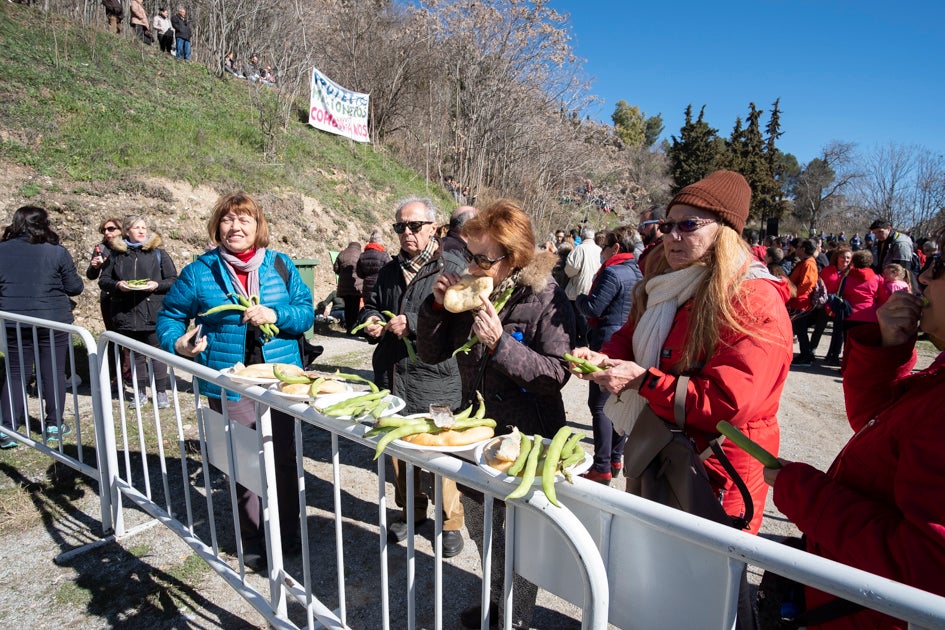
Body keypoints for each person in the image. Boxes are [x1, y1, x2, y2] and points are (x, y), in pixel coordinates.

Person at [570, 170, 793, 629]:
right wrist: (603, 358)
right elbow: (631, 337)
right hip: (661, 451)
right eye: (667, 224)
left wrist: (643, 381)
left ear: (726, 233)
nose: (671, 235)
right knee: (656, 579)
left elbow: (732, 402)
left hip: (716, 472)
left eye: (688, 225)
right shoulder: (667, 282)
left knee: (709, 596)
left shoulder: (753, 298)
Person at [763, 228, 945, 629]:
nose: (925, 276)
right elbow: (873, 423)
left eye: (940, 264)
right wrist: (888, 347)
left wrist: (803, 491)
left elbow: (923, 569)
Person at [417, 199, 575, 629]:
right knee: (484, 529)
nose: (474, 265)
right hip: (477, 433)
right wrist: (434, 308)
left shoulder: (545, 297)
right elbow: (432, 353)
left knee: (519, 542)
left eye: (485, 258)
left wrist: (501, 345)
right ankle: (494, 602)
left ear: (514, 258)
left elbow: (556, 375)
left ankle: (515, 618)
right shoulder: (470, 289)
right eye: (471, 255)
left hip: (527, 440)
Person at [156, 192, 314, 571]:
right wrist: (177, 342)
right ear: (217, 227)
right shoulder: (200, 271)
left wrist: (275, 312)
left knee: (283, 460)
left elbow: (305, 313)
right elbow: (170, 316)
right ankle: (254, 539)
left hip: (280, 379)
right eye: (227, 219)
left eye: (244, 219)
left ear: (258, 227)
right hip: (229, 380)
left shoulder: (280, 264)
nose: (236, 226)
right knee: (243, 464)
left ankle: (289, 534)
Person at [357, 197, 466, 558]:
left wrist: (415, 325)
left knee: (443, 454)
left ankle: (450, 522)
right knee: (399, 454)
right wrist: (371, 321)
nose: (406, 233)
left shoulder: (453, 267)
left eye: (414, 226)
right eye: (400, 227)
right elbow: (370, 305)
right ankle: (412, 512)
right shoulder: (389, 270)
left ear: (434, 228)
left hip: (437, 379)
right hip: (393, 376)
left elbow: (462, 323)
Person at [0, 206, 84, 448]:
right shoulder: (56, 252)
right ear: (44, 224)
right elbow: (75, 287)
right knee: (53, 370)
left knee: (15, 371)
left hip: (14, 318)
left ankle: (8, 428)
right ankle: (54, 425)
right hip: (52, 318)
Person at [575, 226, 642, 483]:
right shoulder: (638, 270)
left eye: (604, 247)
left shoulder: (613, 272)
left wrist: (579, 298)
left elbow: (593, 307)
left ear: (615, 248)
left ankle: (601, 465)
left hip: (609, 339)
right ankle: (616, 455)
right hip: (630, 340)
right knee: (622, 398)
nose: (601, 252)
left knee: (600, 404)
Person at [98, 215, 178, 409]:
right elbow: (103, 281)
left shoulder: (159, 253)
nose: (142, 231)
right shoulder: (116, 255)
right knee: (135, 355)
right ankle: (140, 392)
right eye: (137, 228)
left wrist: (156, 284)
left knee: (157, 354)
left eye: (144, 227)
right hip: (126, 313)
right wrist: (118, 285)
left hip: (152, 311)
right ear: (127, 232)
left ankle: (160, 392)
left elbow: (174, 279)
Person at [564, 227, 601, 345]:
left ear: (583, 237)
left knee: (577, 320)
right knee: (588, 320)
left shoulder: (579, 249)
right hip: (595, 289)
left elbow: (570, 269)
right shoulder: (600, 250)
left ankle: (578, 343)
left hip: (579, 289)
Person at [787, 239, 820, 366]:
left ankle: (806, 356)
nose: (797, 248)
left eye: (799, 246)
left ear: (804, 249)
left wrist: (791, 294)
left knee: (801, 332)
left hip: (800, 303)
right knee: (799, 331)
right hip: (797, 302)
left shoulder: (809, 264)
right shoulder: (805, 263)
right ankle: (805, 355)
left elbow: (806, 285)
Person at [820, 246, 853, 366]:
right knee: (819, 329)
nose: (845, 260)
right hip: (825, 303)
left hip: (840, 306)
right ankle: (811, 351)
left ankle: (834, 355)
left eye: (848, 258)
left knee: (838, 333)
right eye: (843, 257)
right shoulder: (828, 270)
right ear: (837, 257)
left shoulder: (851, 272)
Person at [332, 241, 362, 333]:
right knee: (355, 307)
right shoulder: (360, 254)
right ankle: (353, 329)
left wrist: (343, 274)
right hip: (356, 285)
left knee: (347, 307)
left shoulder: (342, 253)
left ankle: (348, 328)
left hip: (344, 286)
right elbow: (363, 269)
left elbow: (336, 268)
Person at [355, 231, 390, 307]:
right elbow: (390, 272)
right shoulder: (384, 255)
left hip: (366, 288)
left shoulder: (362, 256)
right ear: (380, 242)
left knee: (368, 309)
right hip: (380, 287)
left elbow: (359, 273)